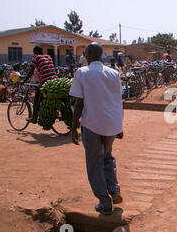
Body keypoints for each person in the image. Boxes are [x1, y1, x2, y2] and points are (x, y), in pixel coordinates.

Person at [69, 42, 124, 215]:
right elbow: (118, 100)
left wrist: (73, 126)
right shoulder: (114, 73)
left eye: (85, 51)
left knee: (94, 163)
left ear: (90, 53)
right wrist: (119, 125)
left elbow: (79, 102)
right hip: (111, 124)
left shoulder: (82, 73)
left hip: (92, 124)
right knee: (107, 157)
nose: (84, 54)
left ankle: (104, 201)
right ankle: (114, 190)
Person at [23, 46, 58, 123]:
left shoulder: (36, 57)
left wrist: (24, 81)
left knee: (37, 100)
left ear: (34, 52)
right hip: (55, 79)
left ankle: (34, 118)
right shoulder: (48, 56)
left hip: (45, 81)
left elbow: (31, 71)